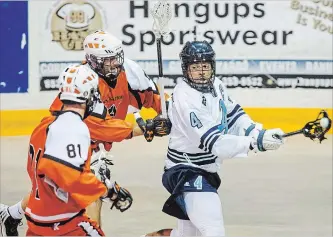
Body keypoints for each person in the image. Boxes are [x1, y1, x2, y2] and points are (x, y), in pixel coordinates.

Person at [0, 30, 171, 235]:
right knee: (84, 193)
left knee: (52, 190)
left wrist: (169, 113)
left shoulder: (129, 71)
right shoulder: (83, 83)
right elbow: (96, 125)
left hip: (85, 147)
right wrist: (141, 129)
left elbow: (154, 97)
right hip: (76, 146)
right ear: (93, 61)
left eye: (116, 57)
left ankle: (11, 214)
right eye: (108, 60)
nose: (115, 64)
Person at [143, 41, 285, 236]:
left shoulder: (217, 85)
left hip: (205, 168)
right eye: (195, 68)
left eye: (205, 67)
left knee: (189, 234)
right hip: (186, 170)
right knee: (213, 230)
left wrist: (257, 132)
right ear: (186, 69)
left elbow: (234, 115)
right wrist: (254, 143)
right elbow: (215, 143)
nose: (201, 72)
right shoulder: (186, 98)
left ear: (212, 66)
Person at [22, 64, 132, 236]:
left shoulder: (44, 125)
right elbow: (67, 175)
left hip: (36, 221)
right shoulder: (75, 127)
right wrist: (107, 190)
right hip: (63, 224)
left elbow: (37, 170)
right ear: (88, 95)